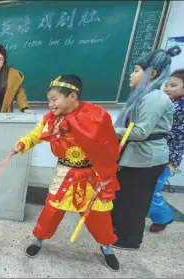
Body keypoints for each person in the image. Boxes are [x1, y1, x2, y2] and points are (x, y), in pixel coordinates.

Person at [12, 75, 121, 271]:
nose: (50, 104)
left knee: (99, 215)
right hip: (64, 173)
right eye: (48, 100)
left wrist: (106, 175)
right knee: (51, 210)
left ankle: (107, 247)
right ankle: (38, 240)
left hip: (92, 175)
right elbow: (36, 135)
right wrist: (23, 144)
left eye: (54, 99)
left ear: (72, 96)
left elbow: (109, 148)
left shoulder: (97, 116)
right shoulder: (51, 120)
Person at [112, 46, 181, 249]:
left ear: (152, 74)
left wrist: (110, 129)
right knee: (124, 197)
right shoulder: (144, 96)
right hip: (137, 157)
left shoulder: (155, 99)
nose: (131, 74)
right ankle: (117, 232)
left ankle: (128, 241)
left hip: (146, 159)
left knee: (134, 201)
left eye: (135, 70)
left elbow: (141, 132)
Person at [148, 69, 184, 232]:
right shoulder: (172, 104)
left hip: (166, 156)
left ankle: (163, 216)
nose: (168, 88)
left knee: (152, 187)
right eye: (167, 85)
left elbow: (164, 129)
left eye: (174, 85)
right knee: (151, 186)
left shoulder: (177, 107)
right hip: (161, 154)